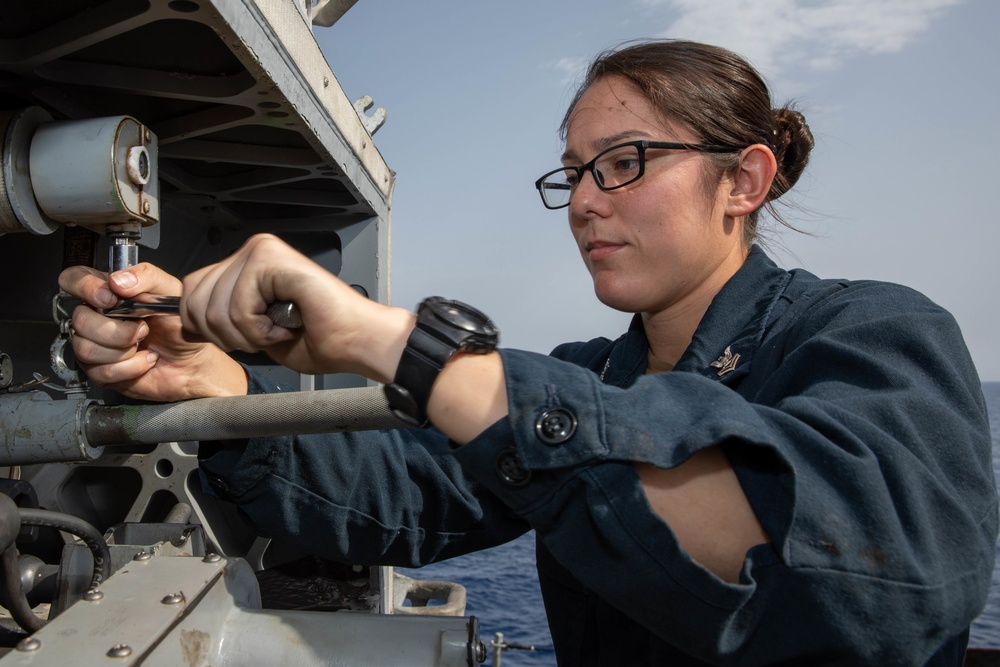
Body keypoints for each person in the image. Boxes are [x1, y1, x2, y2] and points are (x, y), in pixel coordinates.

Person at [59, 40, 996, 665]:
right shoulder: (596, 375)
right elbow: (400, 488)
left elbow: (881, 575)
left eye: (624, 161)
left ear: (742, 180)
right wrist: (218, 386)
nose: (587, 201)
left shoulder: (873, 333)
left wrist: (398, 342)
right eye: (575, 171)